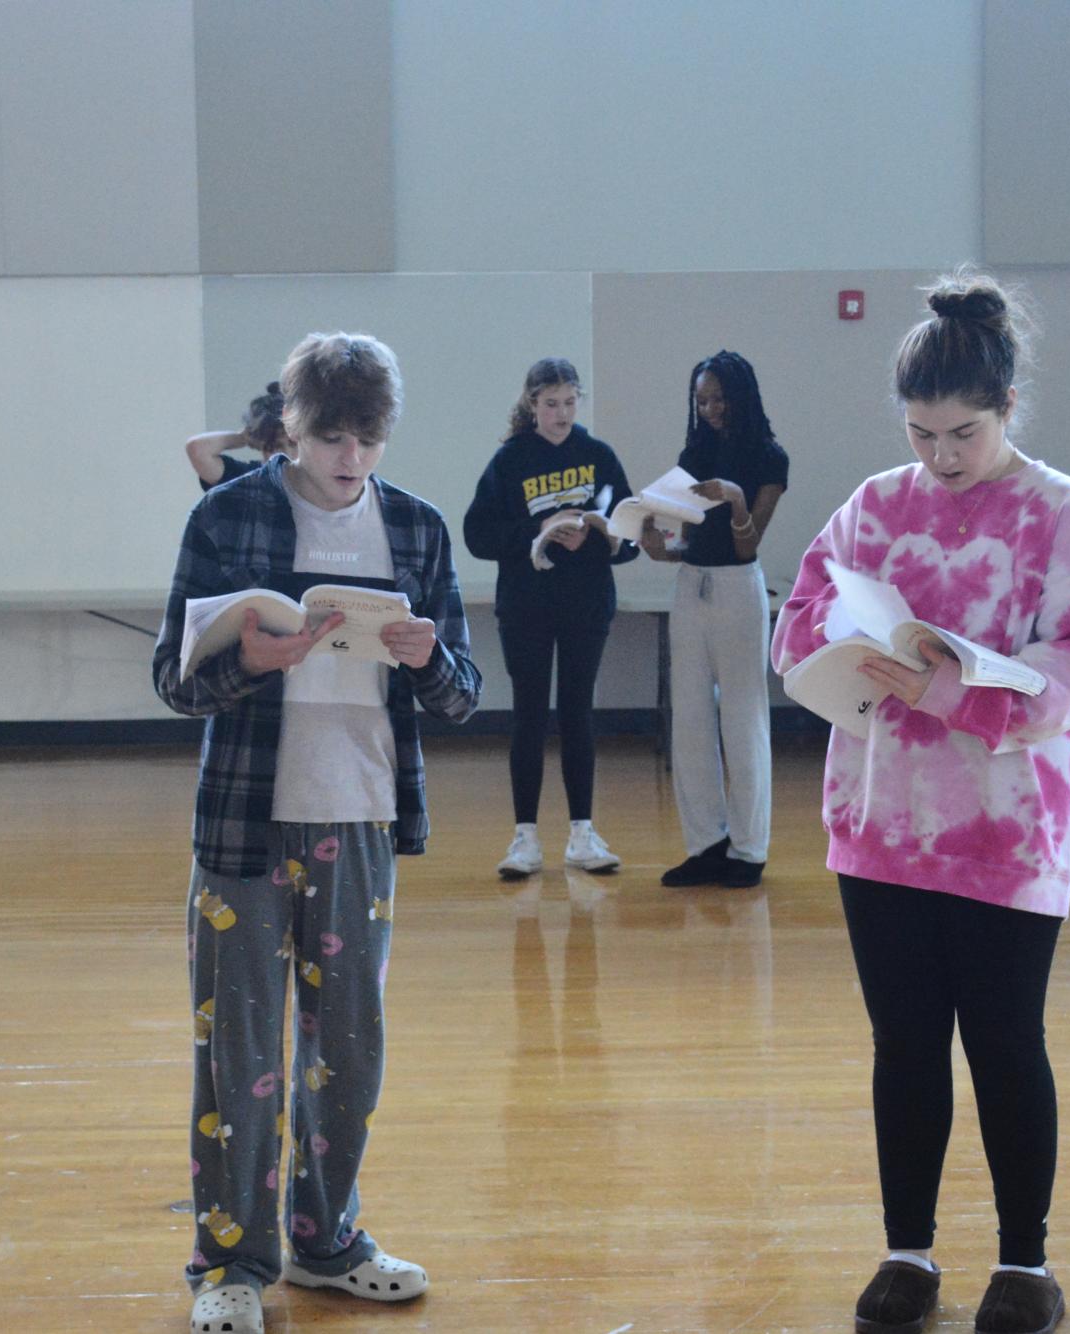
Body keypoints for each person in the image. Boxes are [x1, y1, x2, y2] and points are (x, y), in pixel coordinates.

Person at [769, 272, 1070, 1334]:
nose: (941, 456)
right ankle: (908, 1250)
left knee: (1008, 1039)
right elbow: (799, 622)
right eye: (922, 432)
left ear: (1008, 405)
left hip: (1010, 830)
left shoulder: (1063, 513)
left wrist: (951, 685)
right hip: (881, 827)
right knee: (905, 1042)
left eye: (963, 431)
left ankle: (1026, 1261)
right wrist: (846, 656)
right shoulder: (872, 507)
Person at [152, 332, 481, 1334]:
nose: (348, 457)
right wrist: (249, 660)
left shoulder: (418, 529)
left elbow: (465, 693)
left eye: (366, 437)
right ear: (288, 426)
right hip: (245, 822)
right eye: (330, 434)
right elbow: (174, 679)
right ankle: (232, 1260)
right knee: (238, 1048)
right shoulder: (229, 513)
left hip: (364, 814)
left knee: (350, 1045)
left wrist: (427, 660)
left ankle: (327, 1237)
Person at [464, 358, 638, 878]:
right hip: (526, 605)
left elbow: (629, 539)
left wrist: (597, 535)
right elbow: (477, 535)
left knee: (578, 713)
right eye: (550, 404)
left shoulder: (598, 456)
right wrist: (537, 528)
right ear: (531, 405)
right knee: (530, 715)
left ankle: (583, 834)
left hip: (586, 602)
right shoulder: (510, 460)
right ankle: (525, 838)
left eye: (569, 402)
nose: (561, 414)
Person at [638, 350, 788, 889]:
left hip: (737, 590)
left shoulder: (770, 458)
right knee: (692, 721)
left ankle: (749, 850)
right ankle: (706, 844)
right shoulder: (695, 451)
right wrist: (658, 545)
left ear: (740, 396)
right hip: (691, 587)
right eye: (701, 400)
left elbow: (747, 546)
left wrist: (737, 499)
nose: (710, 409)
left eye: (719, 398)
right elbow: (688, 540)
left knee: (743, 722)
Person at [186, 382, 294, 491]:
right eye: (273, 446)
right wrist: (245, 436)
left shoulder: (310, 481)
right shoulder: (245, 480)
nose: (286, 454)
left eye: (292, 444)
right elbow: (198, 449)